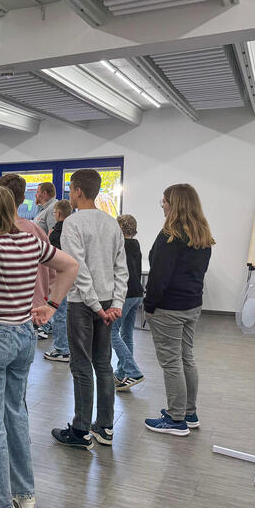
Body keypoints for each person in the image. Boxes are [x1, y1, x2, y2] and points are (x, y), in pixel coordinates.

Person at [0, 186, 77, 508]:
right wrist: (52, 305)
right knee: (14, 412)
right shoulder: (30, 240)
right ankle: (23, 493)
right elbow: (69, 265)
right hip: (23, 336)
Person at [52, 169, 127, 450]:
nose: (70, 195)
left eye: (71, 190)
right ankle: (104, 427)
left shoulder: (72, 224)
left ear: (79, 191)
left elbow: (77, 268)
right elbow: (121, 268)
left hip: (84, 304)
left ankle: (81, 429)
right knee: (103, 364)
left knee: (82, 365)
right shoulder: (112, 224)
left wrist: (96, 307)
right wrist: (114, 304)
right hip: (107, 303)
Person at [143, 184, 213, 436]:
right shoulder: (201, 234)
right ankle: (188, 413)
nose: (162, 205)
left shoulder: (169, 236)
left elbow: (159, 277)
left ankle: (175, 420)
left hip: (169, 309)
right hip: (192, 305)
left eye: (164, 201)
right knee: (186, 358)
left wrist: (148, 306)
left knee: (172, 362)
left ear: (175, 204)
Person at [0, 174, 53, 340]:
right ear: (22, 198)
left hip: (1, 316)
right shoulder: (37, 232)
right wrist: (48, 304)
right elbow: (54, 272)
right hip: (30, 314)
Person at [112, 214, 145, 391]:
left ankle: (132, 371)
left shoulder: (120, 245)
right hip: (137, 293)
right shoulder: (135, 244)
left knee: (111, 332)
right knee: (127, 334)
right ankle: (122, 372)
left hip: (124, 295)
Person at [44, 199, 73, 362]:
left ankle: (62, 349)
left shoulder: (56, 232)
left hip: (59, 277)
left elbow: (50, 256)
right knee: (65, 312)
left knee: (59, 312)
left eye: (54, 212)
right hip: (71, 277)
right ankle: (65, 346)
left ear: (59, 213)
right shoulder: (72, 230)